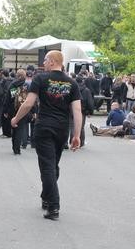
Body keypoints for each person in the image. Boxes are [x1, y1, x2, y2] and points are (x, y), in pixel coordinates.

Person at [11, 50, 82, 220]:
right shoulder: (72, 82)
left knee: (47, 166)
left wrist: (16, 118)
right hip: (62, 129)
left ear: (52, 61)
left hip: (44, 127)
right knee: (53, 164)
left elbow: (28, 103)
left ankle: (53, 206)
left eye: (45, 60)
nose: (43, 63)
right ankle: (47, 196)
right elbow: (77, 110)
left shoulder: (40, 79)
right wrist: (76, 134)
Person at [3, 69, 29, 154]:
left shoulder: (13, 85)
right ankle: (17, 148)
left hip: (13, 109)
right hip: (24, 109)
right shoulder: (27, 85)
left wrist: (5, 110)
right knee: (20, 128)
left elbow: (9, 98)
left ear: (18, 76)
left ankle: (15, 147)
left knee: (14, 127)